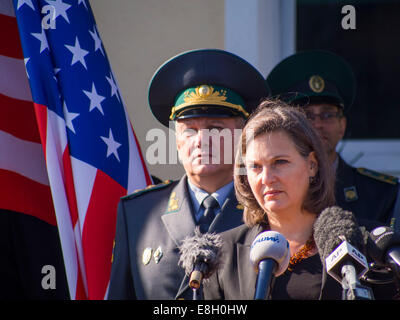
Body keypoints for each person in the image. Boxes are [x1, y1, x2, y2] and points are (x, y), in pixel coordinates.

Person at [107, 49, 270, 299]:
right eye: (190, 130)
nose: (202, 141)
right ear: (176, 140)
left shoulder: (267, 208)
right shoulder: (138, 212)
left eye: (216, 129)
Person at [203, 100, 395, 300]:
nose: (267, 178)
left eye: (280, 162)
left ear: (312, 165)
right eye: (256, 167)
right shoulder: (223, 252)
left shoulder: (368, 244)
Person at [266, 50, 399, 228]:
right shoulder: (271, 190)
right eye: (306, 115)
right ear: (288, 127)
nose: (318, 124)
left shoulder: (382, 194)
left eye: (327, 115)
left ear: (342, 125)